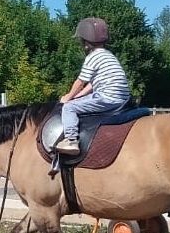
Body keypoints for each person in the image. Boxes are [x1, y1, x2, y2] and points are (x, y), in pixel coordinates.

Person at [56, 17, 131, 154]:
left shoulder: (92, 57)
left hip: (107, 97)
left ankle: (71, 140)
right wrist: (77, 97)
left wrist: (68, 98)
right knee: (75, 102)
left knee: (69, 108)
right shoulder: (108, 55)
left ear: (86, 42)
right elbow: (92, 83)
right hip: (122, 98)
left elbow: (81, 81)